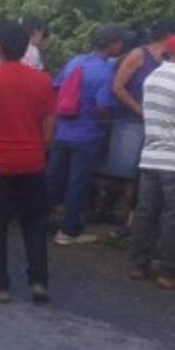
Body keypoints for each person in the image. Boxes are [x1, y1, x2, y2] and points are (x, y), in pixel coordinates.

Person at [0, 22, 57, 305]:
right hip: (32, 161)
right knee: (34, 224)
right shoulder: (42, 80)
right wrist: (41, 150)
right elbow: (50, 123)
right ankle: (39, 282)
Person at [48, 24, 123, 246]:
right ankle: (69, 231)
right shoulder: (105, 70)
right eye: (119, 41)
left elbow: (57, 86)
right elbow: (102, 107)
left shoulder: (75, 61)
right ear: (111, 44)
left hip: (63, 131)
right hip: (87, 134)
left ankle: (38, 221)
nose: (121, 45)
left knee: (53, 179)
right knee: (78, 183)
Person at [104, 20, 175, 220]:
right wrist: (140, 110)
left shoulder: (168, 61)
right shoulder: (139, 55)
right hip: (132, 122)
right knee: (128, 174)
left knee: (146, 176)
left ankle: (136, 222)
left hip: (157, 125)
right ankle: (124, 218)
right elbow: (117, 86)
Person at [129, 33, 175, 289]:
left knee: (146, 212)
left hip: (149, 157)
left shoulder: (152, 78)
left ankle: (138, 264)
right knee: (173, 217)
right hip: (174, 162)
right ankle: (169, 272)